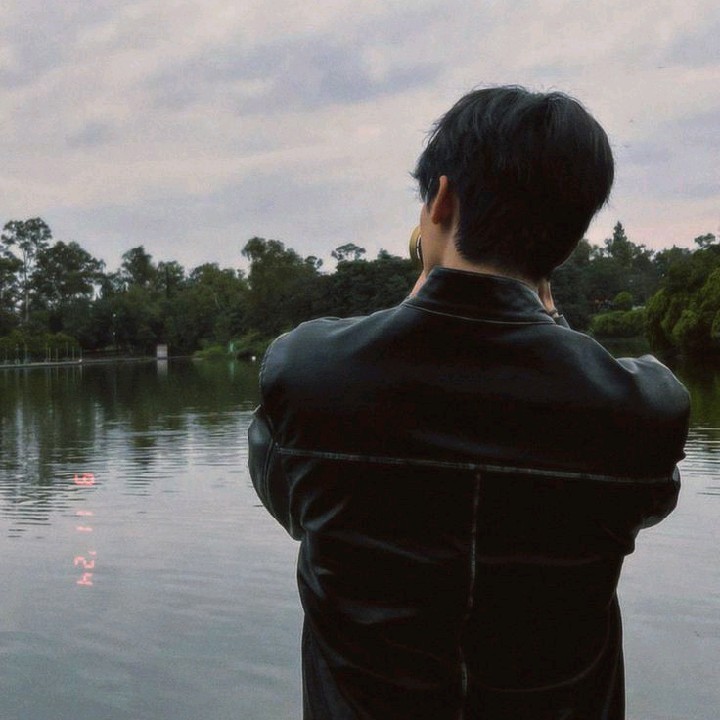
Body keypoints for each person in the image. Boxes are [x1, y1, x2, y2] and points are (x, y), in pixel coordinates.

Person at [248, 86, 690, 719]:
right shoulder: (642, 408)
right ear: (571, 236)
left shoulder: (307, 375)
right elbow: (644, 504)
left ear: (442, 200)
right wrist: (550, 318)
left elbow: (294, 506)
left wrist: (420, 298)